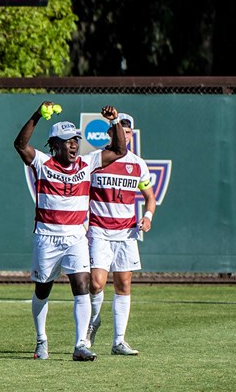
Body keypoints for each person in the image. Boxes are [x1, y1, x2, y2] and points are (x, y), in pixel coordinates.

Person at [13, 102, 127, 361]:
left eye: (76, 139)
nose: (74, 145)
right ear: (54, 145)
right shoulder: (43, 163)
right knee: (43, 290)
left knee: (82, 287)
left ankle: (80, 344)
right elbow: (20, 145)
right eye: (67, 141)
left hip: (76, 236)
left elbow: (119, 149)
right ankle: (42, 339)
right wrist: (37, 114)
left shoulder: (87, 164)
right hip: (47, 237)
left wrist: (115, 121)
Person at [85, 112, 157, 356]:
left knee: (123, 284)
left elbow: (150, 198)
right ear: (110, 134)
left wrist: (147, 217)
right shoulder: (97, 160)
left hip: (126, 233)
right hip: (99, 230)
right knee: (95, 283)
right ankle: (94, 320)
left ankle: (118, 341)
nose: (123, 135)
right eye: (119, 131)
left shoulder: (138, 164)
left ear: (131, 135)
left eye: (127, 132)